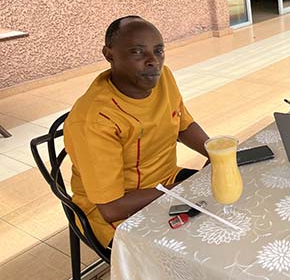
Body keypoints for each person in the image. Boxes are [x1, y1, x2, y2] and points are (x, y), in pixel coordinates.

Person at [64, 16, 210, 247]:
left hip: (166, 182)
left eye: (159, 51)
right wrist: (181, 191)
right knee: (190, 255)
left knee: (226, 204)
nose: (153, 61)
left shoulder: (163, 78)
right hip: (117, 213)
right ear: (109, 55)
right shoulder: (95, 120)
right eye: (137, 52)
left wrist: (216, 153)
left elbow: (183, 125)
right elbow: (111, 207)